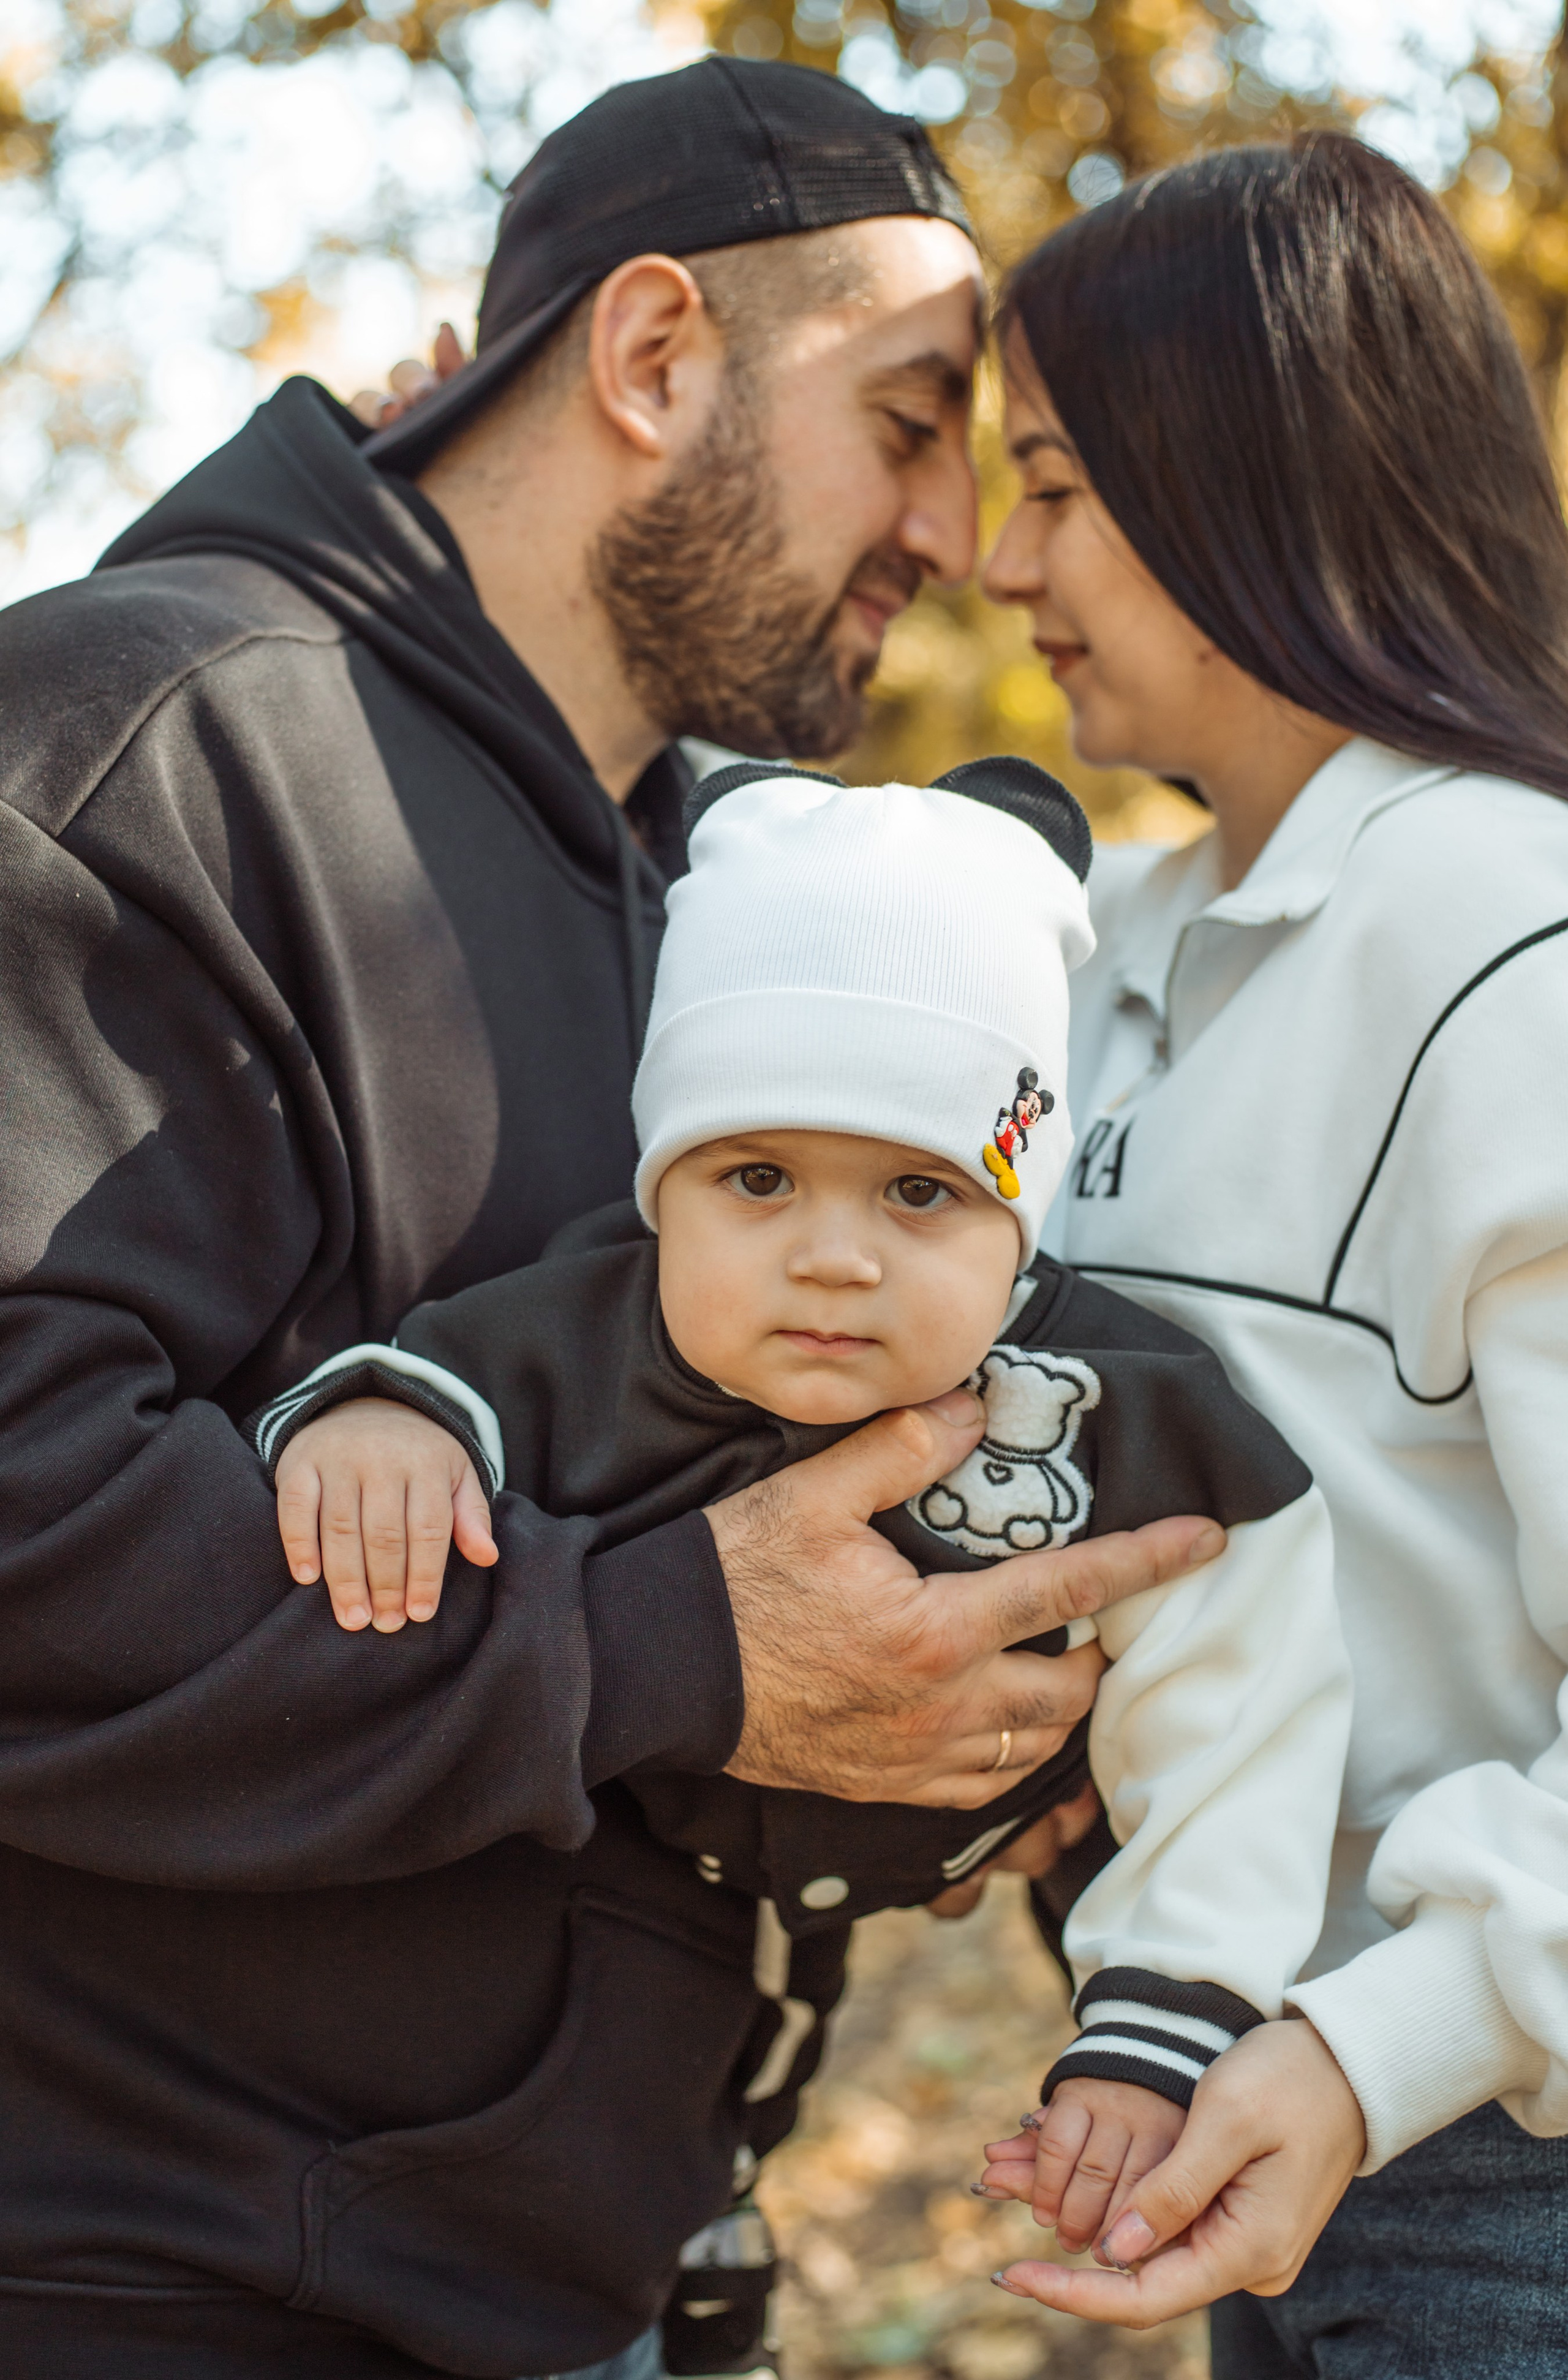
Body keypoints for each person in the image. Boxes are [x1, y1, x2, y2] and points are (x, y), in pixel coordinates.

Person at [0, 56, 1219, 2380]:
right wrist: (677, 1642)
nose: (957, 534)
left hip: (585, 2294)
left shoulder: (723, 888)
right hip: (164, 2291)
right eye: (910, 419)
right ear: (657, 357)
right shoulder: (127, 741)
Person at [246, 756, 1349, 2270]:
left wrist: (1160, 2009)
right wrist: (380, 1423)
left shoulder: (1129, 1402)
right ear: (663, 1193)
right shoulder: (587, 1329)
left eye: (918, 1192)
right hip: (645, 1895)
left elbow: (1245, 1708)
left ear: (1017, 1207)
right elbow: (448, 1373)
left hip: (963, 1849)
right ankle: (697, 2249)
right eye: (757, 1176)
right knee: (686, 2095)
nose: (833, 1258)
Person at [970, 133, 1568, 2376]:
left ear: (1248, 475)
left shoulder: (1515, 946)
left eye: (1056, 482)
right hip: (1257, 2130)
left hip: (1501, 2175)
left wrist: (1375, 2040)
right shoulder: (1107, 953)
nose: (1006, 560)